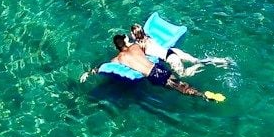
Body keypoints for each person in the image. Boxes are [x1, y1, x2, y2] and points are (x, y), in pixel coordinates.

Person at [81, 34, 220, 100]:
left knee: (178, 88)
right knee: (179, 82)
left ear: (117, 47)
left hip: (153, 76)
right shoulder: (136, 47)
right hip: (159, 67)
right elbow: (146, 44)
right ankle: (201, 90)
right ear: (125, 42)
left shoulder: (118, 59)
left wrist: (88, 73)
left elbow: (103, 68)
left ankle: (203, 95)